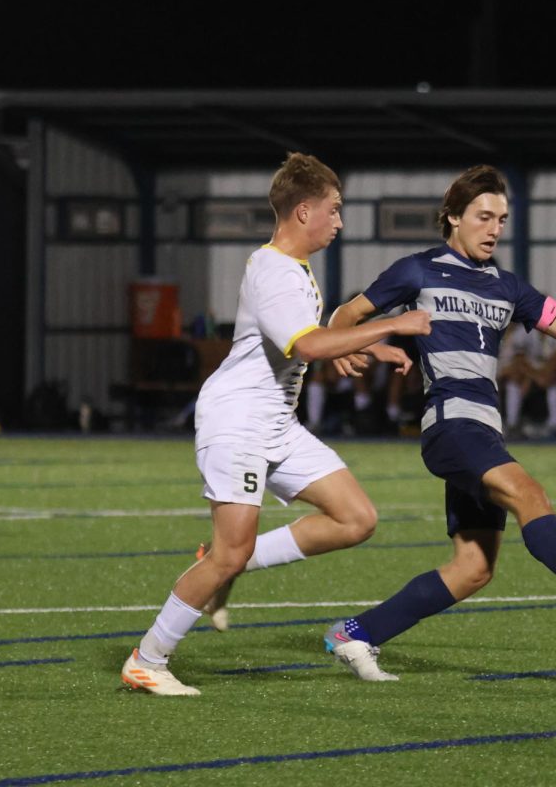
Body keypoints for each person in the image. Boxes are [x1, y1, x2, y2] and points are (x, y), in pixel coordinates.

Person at [322, 165, 556, 681]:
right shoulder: (417, 270)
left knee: (473, 570)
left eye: (502, 220)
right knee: (528, 491)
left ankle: (355, 634)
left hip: (482, 430)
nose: (494, 229)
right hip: (449, 425)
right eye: (484, 217)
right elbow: (342, 319)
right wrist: (372, 346)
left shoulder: (508, 287)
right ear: (453, 218)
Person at [120, 153, 431, 696]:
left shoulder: (293, 271)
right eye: (334, 211)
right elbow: (308, 342)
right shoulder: (274, 269)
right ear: (304, 210)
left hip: (275, 424)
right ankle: (148, 658)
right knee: (230, 553)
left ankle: (222, 559)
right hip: (237, 421)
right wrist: (395, 324)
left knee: (355, 518)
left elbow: (306, 342)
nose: (340, 222)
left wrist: (368, 346)